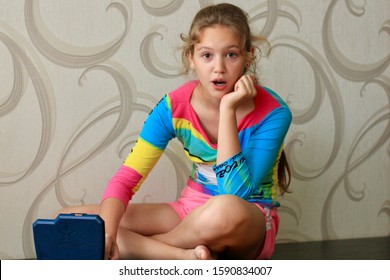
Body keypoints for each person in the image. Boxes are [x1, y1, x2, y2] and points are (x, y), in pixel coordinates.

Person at [58, 3, 292, 260]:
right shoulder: (173, 107)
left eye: (231, 54)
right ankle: (187, 256)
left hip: (247, 219)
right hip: (190, 209)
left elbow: (235, 194)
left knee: (225, 209)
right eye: (207, 55)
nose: (219, 68)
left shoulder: (274, 113)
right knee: (74, 220)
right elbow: (126, 179)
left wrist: (228, 109)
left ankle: (155, 249)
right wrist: (107, 234)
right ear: (191, 57)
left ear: (249, 56)